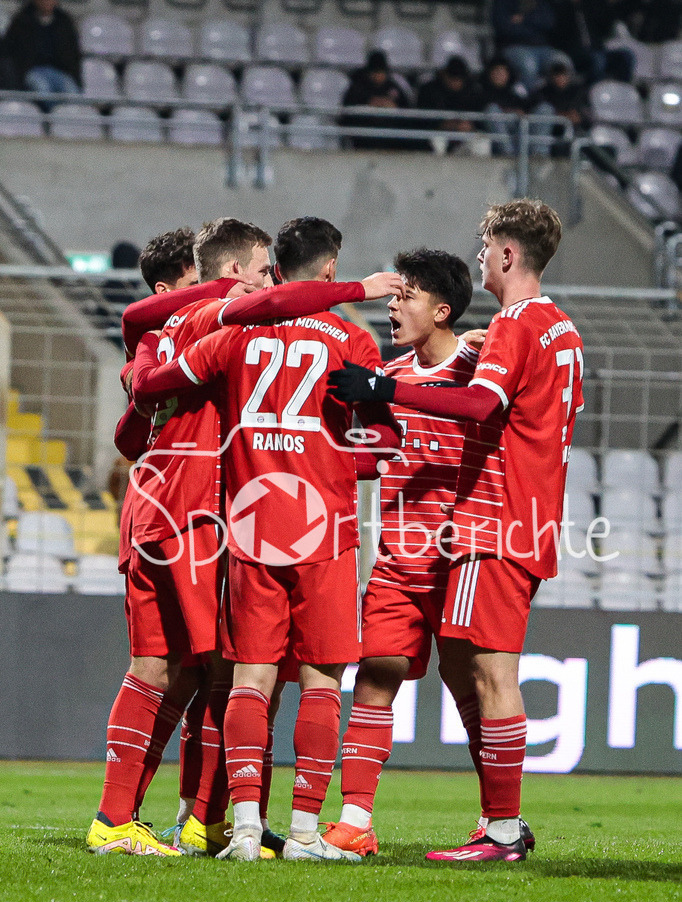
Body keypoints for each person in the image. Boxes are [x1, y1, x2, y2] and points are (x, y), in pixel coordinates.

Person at [131, 217, 404, 863]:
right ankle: (306, 833)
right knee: (320, 682)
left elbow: (155, 386)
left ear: (275, 268)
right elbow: (386, 441)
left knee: (248, 679)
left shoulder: (236, 332)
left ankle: (245, 828)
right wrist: (337, 457)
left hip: (250, 526)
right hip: (325, 528)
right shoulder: (352, 340)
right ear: (332, 271)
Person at [328, 199, 584, 862]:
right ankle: (356, 820)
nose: (392, 306)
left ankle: (501, 825)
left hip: (479, 534)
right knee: (384, 671)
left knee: (478, 677)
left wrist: (386, 393)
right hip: (411, 548)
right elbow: (370, 456)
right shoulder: (553, 333)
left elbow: (482, 405)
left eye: (405, 296)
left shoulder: (499, 342)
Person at [86, 219, 275, 857]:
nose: (267, 282)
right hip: (192, 508)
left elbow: (125, 435)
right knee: (225, 664)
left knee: (168, 669)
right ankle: (206, 818)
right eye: (261, 268)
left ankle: (119, 819)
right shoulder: (214, 319)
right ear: (231, 275)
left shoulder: (156, 334)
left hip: (150, 504)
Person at [4, 0, 81, 95]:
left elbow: (73, 54)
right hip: (32, 70)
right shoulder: (22, 21)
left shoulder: (64, 21)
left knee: (72, 91)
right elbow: (9, 51)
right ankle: (53, 110)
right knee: (43, 89)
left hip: (60, 71)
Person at [341, 50, 411, 150]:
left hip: (391, 141)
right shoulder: (357, 87)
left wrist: (392, 106)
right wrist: (369, 104)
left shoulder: (393, 87)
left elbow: (406, 111)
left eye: (381, 72)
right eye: (375, 72)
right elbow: (347, 113)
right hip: (363, 139)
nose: (378, 76)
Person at [492, 0, 566, 93]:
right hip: (514, 46)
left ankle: (560, 102)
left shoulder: (541, 3)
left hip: (542, 48)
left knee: (562, 62)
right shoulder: (503, 2)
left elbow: (549, 22)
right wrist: (534, 27)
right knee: (529, 66)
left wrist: (524, 19)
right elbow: (504, 28)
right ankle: (528, 101)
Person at [416, 56, 484, 151]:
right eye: (452, 77)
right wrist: (443, 125)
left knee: (482, 142)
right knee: (437, 141)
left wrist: (470, 125)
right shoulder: (430, 90)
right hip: (439, 133)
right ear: (445, 75)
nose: (455, 82)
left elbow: (480, 119)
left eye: (458, 79)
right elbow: (422, 120)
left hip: (465, 134)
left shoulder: (473, 92)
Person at [531, 61, 589, 157]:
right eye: (557, 75)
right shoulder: (544, 92)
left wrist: (577, 117)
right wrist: (563, 116)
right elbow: (543, 113)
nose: (560, 79)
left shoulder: (576, 92)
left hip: (573, 131)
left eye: (563, 75)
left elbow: (579, 115)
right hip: (553, 132)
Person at [479, 56, 528, 156]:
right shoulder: (480, 92)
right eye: (496, 72)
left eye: (502, 72)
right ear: (489, 73)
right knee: (492, 110)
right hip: (490, 138)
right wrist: (506, 112)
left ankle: (523, 155)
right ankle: (508, 153)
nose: (499, 75)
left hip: (513, 135)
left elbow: (524, 111)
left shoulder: (514, 95)